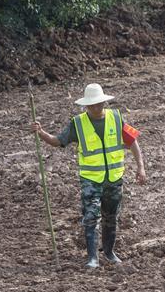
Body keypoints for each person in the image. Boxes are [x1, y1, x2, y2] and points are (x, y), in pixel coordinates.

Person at [33, 83, 147, 268]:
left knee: (111, 217)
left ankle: (109, 253)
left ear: (104, 103)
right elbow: (57, 141)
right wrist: (41, 133)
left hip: (114, 178)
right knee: (91, 217)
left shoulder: (117, 118)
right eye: (91, 105)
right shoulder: (77, 124)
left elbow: (132, 141)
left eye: (99, 104)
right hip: (91, 180)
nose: (96, 108)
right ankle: (92, 258)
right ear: (86, 106)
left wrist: (140, 167)